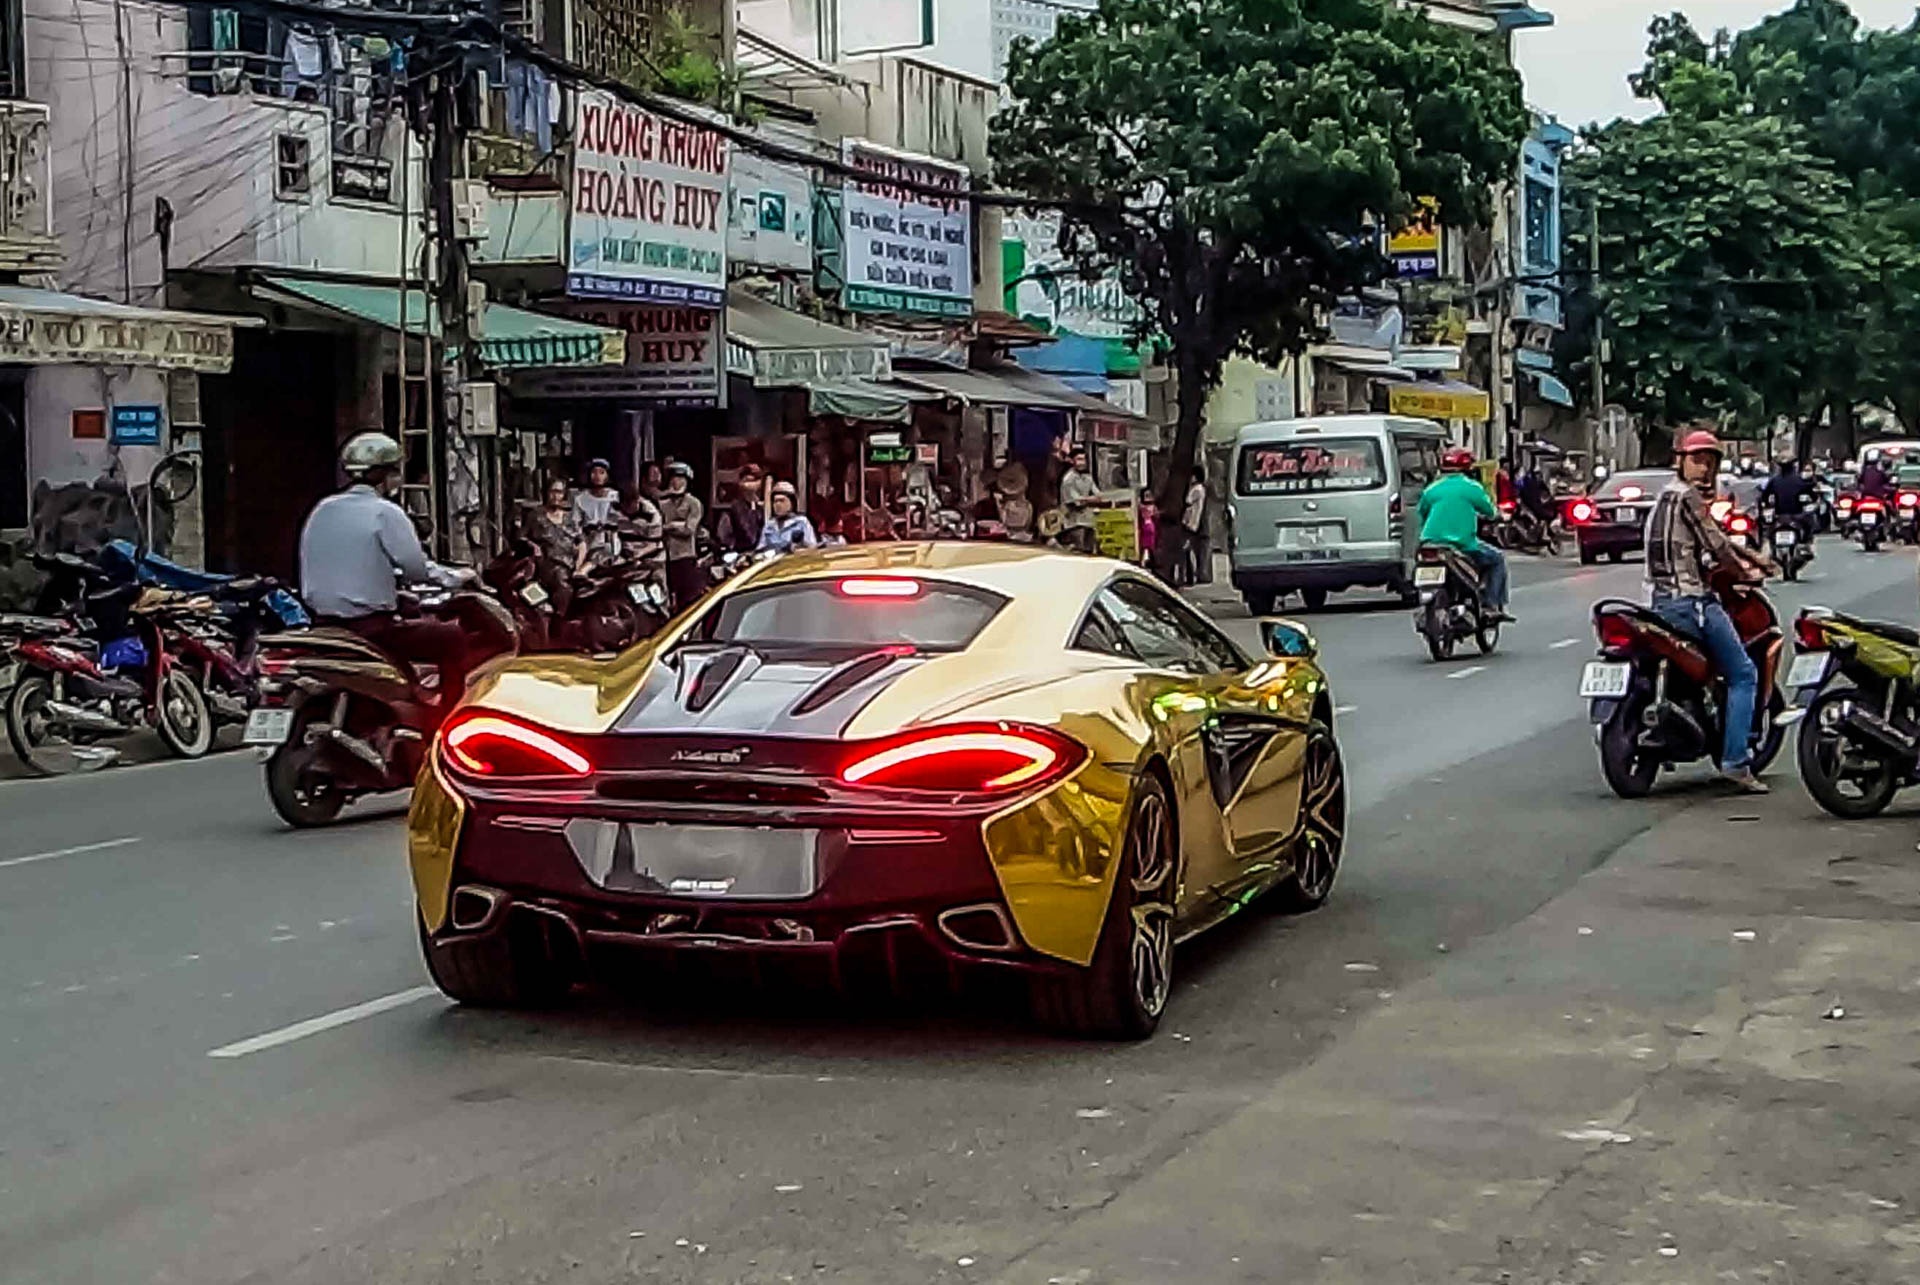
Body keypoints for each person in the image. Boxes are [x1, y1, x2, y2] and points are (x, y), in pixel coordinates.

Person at [298, 432, 474, 705]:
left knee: (408, 609)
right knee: (452, 638)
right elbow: (417, 569)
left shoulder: (322, 508)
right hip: (369, 629)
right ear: (384, 475)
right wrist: (457, 577)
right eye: (395, 471)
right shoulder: (385, 512)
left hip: (323, 625)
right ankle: (444, 718)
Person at [1646, 431, 1775, 794]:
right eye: (1697, 460)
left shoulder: (1666, 497)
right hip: (1691, 603)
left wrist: (1757, 558)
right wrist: (1746, 573)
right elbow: (1718, 547)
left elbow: (1714, 534)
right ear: (1680, 461)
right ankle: (1735, 762)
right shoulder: (1686, 496)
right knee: (1743, 674)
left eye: (1710, 462)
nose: (1704, 469)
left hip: (1660, 602)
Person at [1417, 447, 1512, 621]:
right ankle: (1491, 605)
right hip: (1461, 544)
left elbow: (1422, 513)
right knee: (1497, 559)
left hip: (1430, 543)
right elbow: (1489, 511)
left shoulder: (1431, 489)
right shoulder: (1471, 488)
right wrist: (1500, 516)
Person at [524, 478, 587, 613]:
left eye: (559, 492)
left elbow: (581, 542)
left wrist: (579, 565)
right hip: (549, 565)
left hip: (572, 565)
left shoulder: (570, 518)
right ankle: (560, 619)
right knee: (562, 582)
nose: (555, 496)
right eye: (552, 491)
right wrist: (533, 546)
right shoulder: (536, 516)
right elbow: (521, 537)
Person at [657, 461, 705, 610]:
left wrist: (671, 526)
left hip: (686, 555)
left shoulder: (694, 503)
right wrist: (676, 525)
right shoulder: (662, 504)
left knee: (689, 600)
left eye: (681, 478)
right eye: (674, 478)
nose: (677, 482)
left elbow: (689, 529)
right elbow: (657, 528)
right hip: (666, 557)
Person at [1760, 457, 1817, 548]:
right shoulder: (1799, 481)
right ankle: (1807, 543)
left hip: (1779, 516)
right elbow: (1812, 493)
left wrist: (1767, 505)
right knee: (1810, 522)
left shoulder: (1774, 481)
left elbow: (1764, 496)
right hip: (1796, 515)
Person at [571, 458, 620, 564]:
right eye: (594, 472)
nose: (597, 476)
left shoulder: (615, 497)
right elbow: (576, 525)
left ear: (607, 476)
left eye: (601, 473)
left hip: (613, 540)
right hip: (590, 541)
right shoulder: (580, 499)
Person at [714, 462, 767, 554]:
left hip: (760, 553)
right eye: (747, 480)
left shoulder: (763, 506)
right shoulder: (733, 507)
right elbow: (724, 534)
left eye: (754, 481)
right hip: (739, 553)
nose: (750, 485)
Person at [757, 481, 818, 553]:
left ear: (791, 502)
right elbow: (760, 549)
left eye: (782, 501)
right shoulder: (769, 525)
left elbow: (812, 547)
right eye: (775, 501)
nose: (778, 505)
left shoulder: (801, 522)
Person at [1059, 447, 1098, 554]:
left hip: (1089, 521)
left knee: (1090, 551)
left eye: (1083, 459)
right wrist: (1090, 500)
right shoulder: (1068, 479)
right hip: (1074, 523)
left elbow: (1098, 494)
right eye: (1079, 459)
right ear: (1072, 461)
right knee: (1079, 551)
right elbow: (1076, 501)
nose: (1082, 463)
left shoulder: (1088, 477)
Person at [1182, 467, 1211, 585]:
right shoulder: (1201, 489)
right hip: (1196, 523)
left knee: (1190, 550)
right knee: (1199, 550)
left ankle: (1193, 575)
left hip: (1193, 523)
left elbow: (1187, 501)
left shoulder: (1196, 489)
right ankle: (1201, 574)